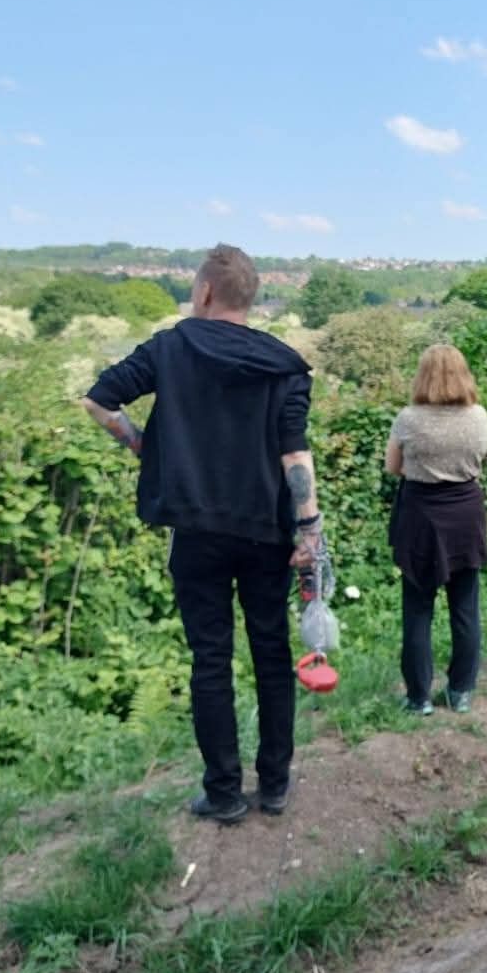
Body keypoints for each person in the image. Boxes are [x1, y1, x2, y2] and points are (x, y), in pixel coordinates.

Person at [82, 243, 321, 823]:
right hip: (266, 528)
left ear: (206, 291)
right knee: (270, 653)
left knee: (210, 659)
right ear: (251, 295)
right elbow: (295, 454)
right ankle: (275, 785)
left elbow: (98, 401)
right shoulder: (285, 364)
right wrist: (309, 528)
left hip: (195, 529)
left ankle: (222, 794)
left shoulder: (170, 346)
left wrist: (142, 443)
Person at [385, 345, 487, 715]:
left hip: (421, 519)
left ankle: (418, 698)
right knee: (465, 608)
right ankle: (460, 691)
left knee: (417, 609)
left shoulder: (408, 418)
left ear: (422, 374)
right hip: (465, 516)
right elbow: (479, 460)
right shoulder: (478, 416)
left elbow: (393, 467)